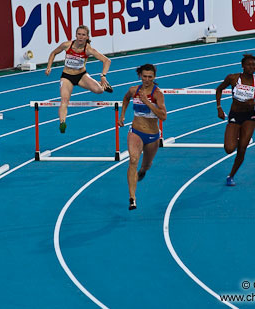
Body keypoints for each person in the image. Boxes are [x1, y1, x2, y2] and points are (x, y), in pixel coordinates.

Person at [45, 25, 113, 133]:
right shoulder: (67, 45)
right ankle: (62, 122)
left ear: (87, 37)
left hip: (81, 76)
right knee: (64, 100)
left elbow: (107, 61)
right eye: (79, 34)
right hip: (67, 77)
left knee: (99, 90)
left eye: (83, 35)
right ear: (76, 35)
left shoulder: (88, 49)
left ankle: (102, 84)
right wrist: (49, 67)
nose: (81, 37)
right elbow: (53, 53)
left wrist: (103, 75)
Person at [216, 54, 255, 187]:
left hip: (249, 117)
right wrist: (219, 107)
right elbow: (219, 89)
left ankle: (231, 175)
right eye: (248, 64)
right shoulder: (233, 78)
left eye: (253, 65)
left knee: (242, 149)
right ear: (243, 66)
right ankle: (237, 138)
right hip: (234, 115)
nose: (251, 67)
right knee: (229, 149)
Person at [118, 64, 166, 210]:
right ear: (140, 76)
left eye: (150, 77)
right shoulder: (134, 90)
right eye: (144, 76)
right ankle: (132, 198)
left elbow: (163, 116)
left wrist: (147, 102)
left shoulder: (157, 94)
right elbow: (125, 99)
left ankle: (143, 171)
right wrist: (122, 115)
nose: (146, 79)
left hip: (152, 136)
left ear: (154, 77)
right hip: (136, 131)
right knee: (133, 160)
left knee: (146, 165)